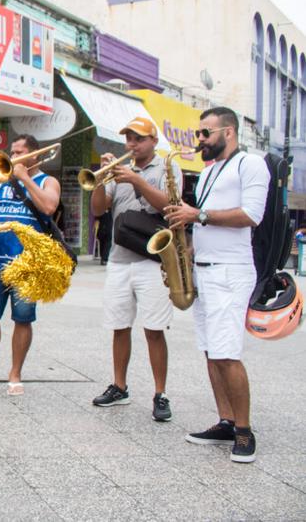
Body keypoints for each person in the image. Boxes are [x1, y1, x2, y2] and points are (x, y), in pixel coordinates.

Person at [164, 106, 269, 463]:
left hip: (231, 271)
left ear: (229, 132)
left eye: (206, 133)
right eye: (199, 133)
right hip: (206, 270)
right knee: (211, 351)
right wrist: (185, 254)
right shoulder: (209, 172)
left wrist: (198, 214)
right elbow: (204, 224)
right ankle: (225, 421)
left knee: (227, 353)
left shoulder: (250, 164)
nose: (200, 140)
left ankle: (244, 431)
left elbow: (251, 216)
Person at [89, 117, 180, 422]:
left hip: (152, 259)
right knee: (119, 326)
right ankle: (119, 386)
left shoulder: (166, 167)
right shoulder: (118, 171)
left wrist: (137, 180)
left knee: (154, 329)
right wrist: (102, 180)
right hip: (119, 258)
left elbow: (169, 206)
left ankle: (160, 393)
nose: (131, 144)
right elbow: (98, 209)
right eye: (128, 138)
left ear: (153, 141)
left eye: (138, 139)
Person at [0, 134, 60, 395]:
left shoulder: (47, 181)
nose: (14, 156)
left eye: (20, 152)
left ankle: (15, 374)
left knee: (23, 319)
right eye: (13, 152)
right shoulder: (1, 182)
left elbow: (49, 206)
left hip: (27, 263)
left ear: (36, 155)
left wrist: (25, 178)